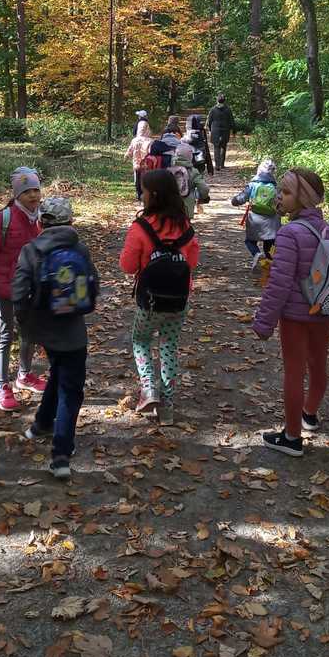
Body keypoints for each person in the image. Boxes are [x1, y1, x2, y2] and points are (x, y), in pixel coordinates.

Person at [250, 168, 329, 457]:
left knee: (294, 372)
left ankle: (291, 437)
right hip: (324, 311)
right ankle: (309, 415)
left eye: (286, 192)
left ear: (304, 198)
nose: (279, 196)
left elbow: (279, 284)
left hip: (295, 318)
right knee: (318, 365)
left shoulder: (290, 233)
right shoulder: (328, 229)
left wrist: (264, 323)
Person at [12, 196, 99, 478]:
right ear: (71, 222)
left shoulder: (30, 250)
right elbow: (94, 285)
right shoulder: (80, 249)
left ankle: (42, 424)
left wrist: (25, 323)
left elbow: (18, 293)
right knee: (71, 390)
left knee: (59, 372)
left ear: (41, 222)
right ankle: (61, 454)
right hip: (72, 329)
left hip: (43, 327)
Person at [119, 169, 199, 426]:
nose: (141, 195)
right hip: (178, 300)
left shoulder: (141, 227)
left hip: (149, 301)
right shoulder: (185, 227)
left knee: (141, 340)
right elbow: (192, 263)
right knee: (169, 346)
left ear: (152, 195)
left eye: (143, 191)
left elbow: (127, 266)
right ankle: (168, 407)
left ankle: (148, 389)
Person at [0, 167, 46, 411]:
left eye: (36, 190)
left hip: (30, 289)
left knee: (29, 332)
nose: (33, 195)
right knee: (6, 334)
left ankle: (24, 375)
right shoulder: (3, 219)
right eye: (27, 191)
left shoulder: (40, 218)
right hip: (4, 289)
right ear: (17, 194)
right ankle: (2, 387)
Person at [232, 159, 281, 268]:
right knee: (270, 244)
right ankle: (269, 265)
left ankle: (257, 254)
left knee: (250, 241)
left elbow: (241, 198)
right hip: (272, 221)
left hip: (255, 220)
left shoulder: (253, 185)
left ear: (259, 171)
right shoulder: (276, 187)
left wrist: (234, 201)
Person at [171, 141, 210, 220]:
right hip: (187, 206)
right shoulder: (193, 171)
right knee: (186, 224)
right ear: (190, 156)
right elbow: (204, 188)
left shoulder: (168, 168)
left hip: (169, 204)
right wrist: (203, 197)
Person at [206, 94, 236, 171]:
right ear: (224, 101)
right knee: (223, 146)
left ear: (217, 100)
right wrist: (233, 131)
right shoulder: (228, 109)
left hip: (215, 130)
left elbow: (209, 121)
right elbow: (231, 121)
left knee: (216, 147)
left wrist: (209, 130)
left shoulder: (213, 109)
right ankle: (222, 165)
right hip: (225, 130)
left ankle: (217, 165)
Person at [125, 119, 153, 200]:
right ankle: (145, 193)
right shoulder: (149, 140)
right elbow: (151, 152)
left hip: (136, 163)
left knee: (137, 178)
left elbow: (130, 150)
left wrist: (126, 157)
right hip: (146, 163)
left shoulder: (134, 140)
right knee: (145, 179)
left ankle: (138, 193)